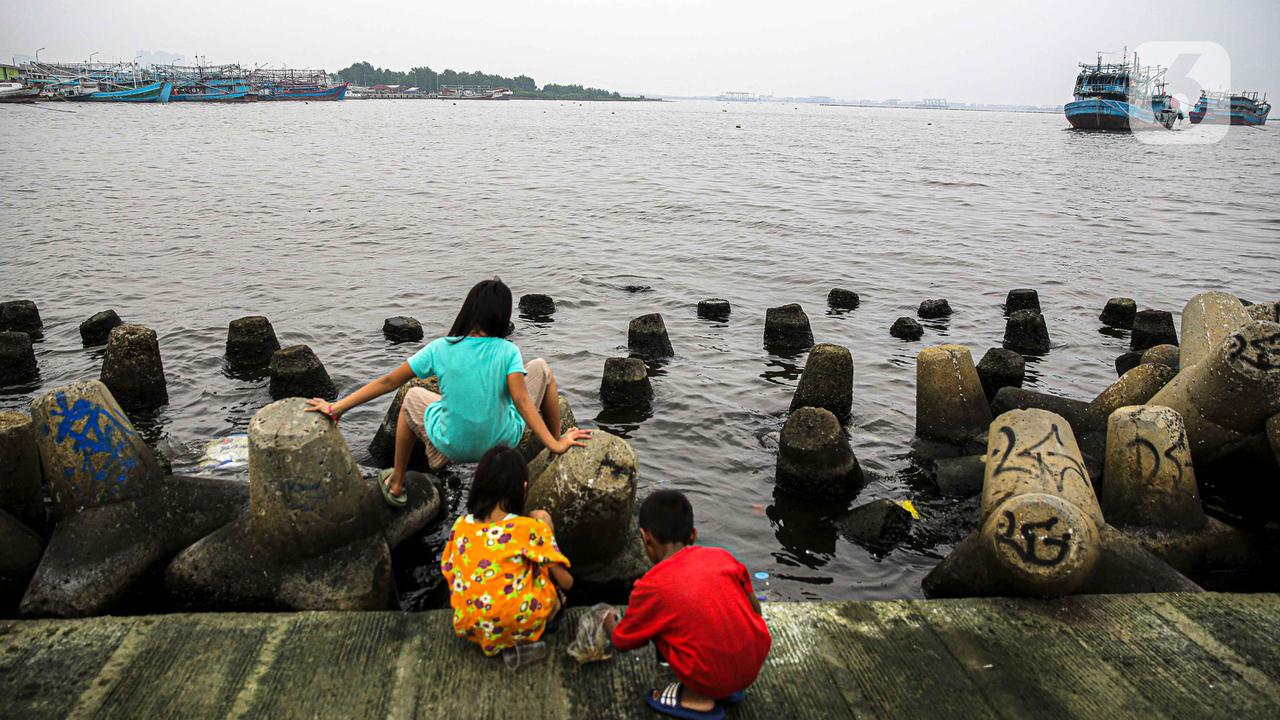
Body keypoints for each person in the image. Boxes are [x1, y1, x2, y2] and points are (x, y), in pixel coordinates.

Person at [306, 278, 590, 507]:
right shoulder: (508, 351)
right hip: (502, 444)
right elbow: (521, 399)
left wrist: (337, 407)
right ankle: (555, 444)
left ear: (469, 310)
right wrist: (554, 444)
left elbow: (388, 382)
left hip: (450, 448)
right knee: (541, 368)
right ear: (502, 317)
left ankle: (397, 482)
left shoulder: (440, 348)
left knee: (411, 396)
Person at [604, 490, 771, 720]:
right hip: (752, 664)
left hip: (711, 677)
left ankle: (697, 700)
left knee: (657, 624)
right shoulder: (722, 557)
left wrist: (608, 622)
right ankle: (729, 687)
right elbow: (755, 609)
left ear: (645, 538)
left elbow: (623, 641)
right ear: (693, 535)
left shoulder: (651, 587)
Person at [440, 445, 573, 656]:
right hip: (522, 625)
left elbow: (448, 568)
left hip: (470, 626)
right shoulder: (528, 528)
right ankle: (544, 612)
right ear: (524, 487)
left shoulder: (460, 526)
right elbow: (567, 582)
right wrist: (546, 534)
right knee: (542, 522)